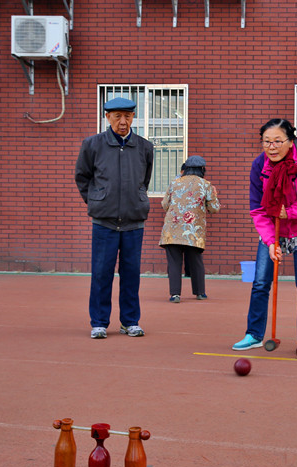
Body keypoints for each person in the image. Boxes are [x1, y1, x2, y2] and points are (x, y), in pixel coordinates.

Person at [232, 118, 297, 357]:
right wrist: (271, 242)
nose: (271, 147)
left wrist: (290, 212)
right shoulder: (259, 166)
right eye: (266, 142)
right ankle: (254, 334)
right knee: (261, 282)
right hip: (272, 230)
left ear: (290, 140)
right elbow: (258, 209)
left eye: (277, 141)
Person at [74, 97, 154, 339]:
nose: (123, 121)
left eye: (128, 116)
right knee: (101, 272)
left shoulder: (144, 147)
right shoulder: (92, 145)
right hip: (104, 222)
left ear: (133, 117)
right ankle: (99, 322)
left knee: (131, 274)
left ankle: (130, 321)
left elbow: (144, 180)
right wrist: (98, 201)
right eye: (117, 116)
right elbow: (82, 177)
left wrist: (136, 198)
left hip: (133, 222)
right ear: (107, 117)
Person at [158, 155, 221, 303]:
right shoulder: (206, 185)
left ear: (185, 169)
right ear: (202, 169)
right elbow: (214, 209)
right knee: (196, 261)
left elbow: (165, 205)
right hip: (193, 230)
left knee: (174, 262)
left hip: (172, 229)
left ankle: (175, 294)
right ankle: (200, 292)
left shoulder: (175, 183)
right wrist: (214, 196)